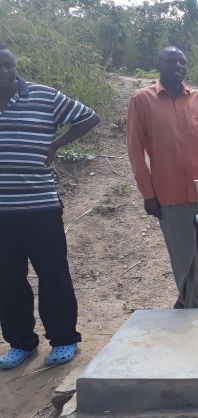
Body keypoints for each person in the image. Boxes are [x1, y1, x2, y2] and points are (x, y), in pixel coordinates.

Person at [0, 45, 100, 369]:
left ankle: (63, 338)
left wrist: (56, 144)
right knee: (7, 279)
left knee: (53, 274)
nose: (4, 73)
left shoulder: (44, 97)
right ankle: (21, 343)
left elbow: (89, 117)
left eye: (8, 66)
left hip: (40, 207)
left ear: (15, 67)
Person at [126, 46, 198, 310]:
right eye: (171, 61)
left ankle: (186, 303)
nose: (178, 66)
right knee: (186, 259)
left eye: (182, 61)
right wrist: (148, 194)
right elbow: (135, 152)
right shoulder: (142, 100)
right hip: (169, 195)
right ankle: (193, 311)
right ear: (159, 65)